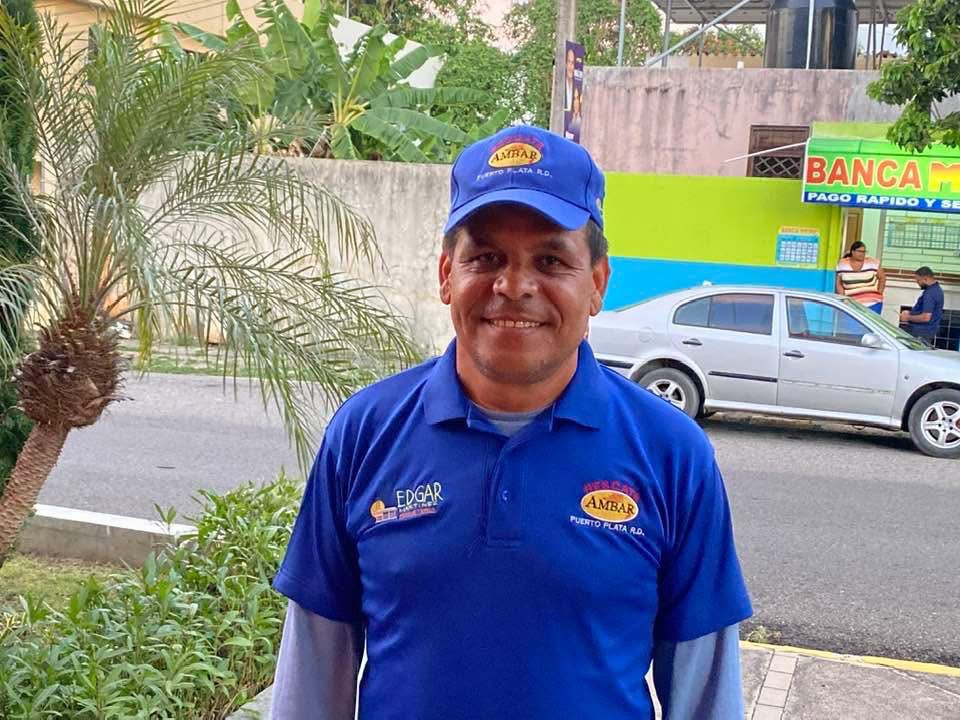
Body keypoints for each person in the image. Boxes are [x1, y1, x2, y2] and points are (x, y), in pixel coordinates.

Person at [270, 125, 752, 720]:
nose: (514, 286)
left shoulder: (673, 453)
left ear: (597, 283)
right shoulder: (364, 433)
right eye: (486, 258)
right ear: (446, 274)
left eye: (550, 260)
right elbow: (312, 673)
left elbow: (706, 690)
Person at [835, 240, 885, 313]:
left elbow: (882, 278)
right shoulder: (842, 264)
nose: (862, 254)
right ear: (852, 252)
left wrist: (880, 292)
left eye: (864, 252)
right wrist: (843, 298)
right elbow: (839, 283)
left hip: (872, 302)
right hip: (851, 303)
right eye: (860, 251)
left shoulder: (872, 262)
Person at [900, 266, 944, 343]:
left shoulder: (930, 293)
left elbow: (926, 317)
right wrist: (910, 313)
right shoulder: (937, 289)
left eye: (918, 281)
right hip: (926, 331)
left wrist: (907, 317)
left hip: (921, 333)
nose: (918, 283)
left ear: (925, 279)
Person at [564, 46, 576, 110]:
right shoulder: (561, 84)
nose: (571, 67)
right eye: (569, 62)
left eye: (573, 63)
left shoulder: (577, 86)